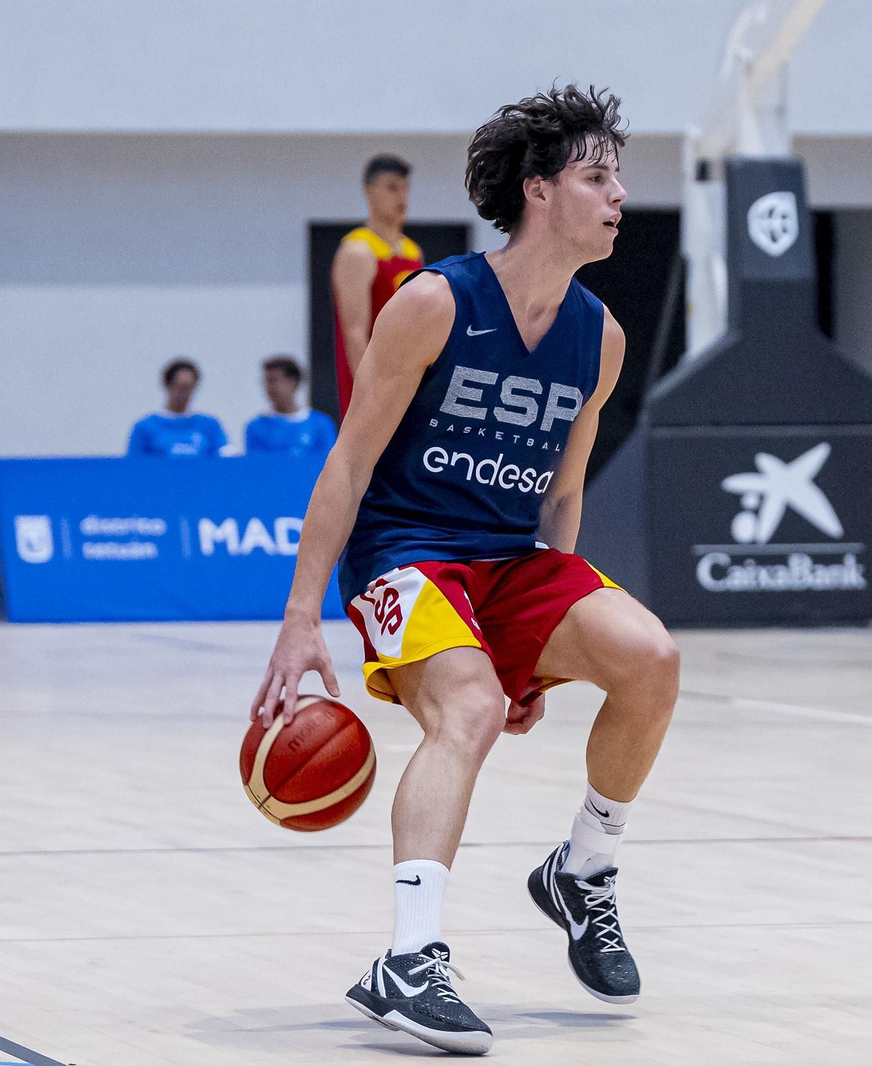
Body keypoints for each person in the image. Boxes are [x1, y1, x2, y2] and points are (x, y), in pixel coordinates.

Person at [252, 85, 677, 1056]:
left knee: (652, 658)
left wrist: (532, 651)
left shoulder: (598, 339)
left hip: (510, 560)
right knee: (470, 712)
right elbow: (349, 461)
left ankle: (583, 867)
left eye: (619, 179)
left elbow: (562, 497)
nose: (618, 197)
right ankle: (409, 955)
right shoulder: (436, 302)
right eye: (596, 177)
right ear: (537, 191)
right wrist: (297, 616)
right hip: (406, 552)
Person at [333, 154, 423, 414]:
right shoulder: (358, 251)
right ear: (369, 192)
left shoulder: (412, 252)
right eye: (392, 187)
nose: (401, 197)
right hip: (373, 388)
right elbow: (354, 333)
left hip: (406, 381)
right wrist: (371, 396)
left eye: (406, 188)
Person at [126, 358, 227, 458]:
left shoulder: (209, 426)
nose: (184, 394)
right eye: (180, 387)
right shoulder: (146, 427)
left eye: (189, 387)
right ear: (167, 385)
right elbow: (134, 465)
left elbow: (224, 458)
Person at [244, 355, 338, 458]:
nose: (269, 387)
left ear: (293, 382)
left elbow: (329, 462)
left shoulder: (321, 424)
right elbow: (256, 465)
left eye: (274, 380)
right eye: (266, 381)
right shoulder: (256, 426)